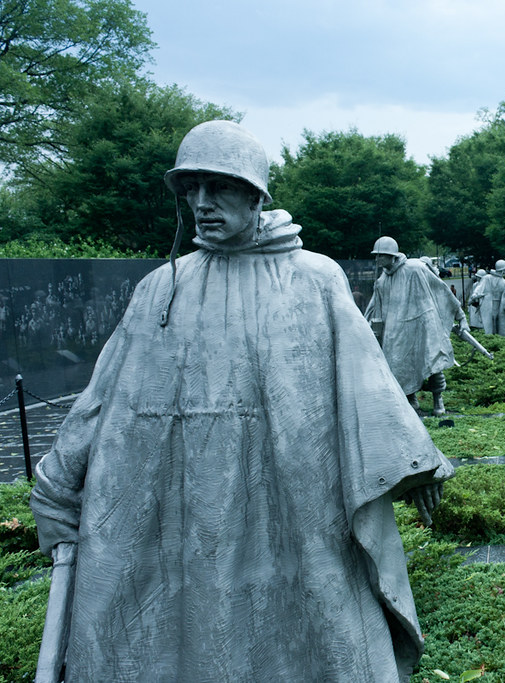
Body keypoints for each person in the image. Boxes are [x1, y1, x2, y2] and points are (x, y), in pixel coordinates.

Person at [29, 121, 452, 682]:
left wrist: (414, 461)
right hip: (179, 506)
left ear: (256, 195)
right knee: (188, 633)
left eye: (219, 187)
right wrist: (57, 482)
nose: (202, 203)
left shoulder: (312, 279)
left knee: (310, 630)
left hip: (291, 503)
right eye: (192, 190)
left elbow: (364, 382)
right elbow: (105, 396)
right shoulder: (161, 288)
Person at [365, 236, 469, 416]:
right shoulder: (382, 280)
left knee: (432, 362)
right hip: (395, 332)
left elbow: (441, 290)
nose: (377, 259)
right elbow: (374, 307)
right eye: (376, 256)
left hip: (422, 325)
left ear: (392, 255)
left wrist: (461, 316)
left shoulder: (415, 268)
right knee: (398, 365)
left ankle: (438, 400)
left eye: (380, 255)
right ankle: (410, 399)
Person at [474, 259, 505, 335]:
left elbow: (479, 288)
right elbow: (479, 288)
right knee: (492, 326)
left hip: (498, 306)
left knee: (497, 325)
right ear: (503, 270)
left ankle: (494, 340)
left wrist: (475, 295)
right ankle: (493, 340)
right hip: (490, 305)